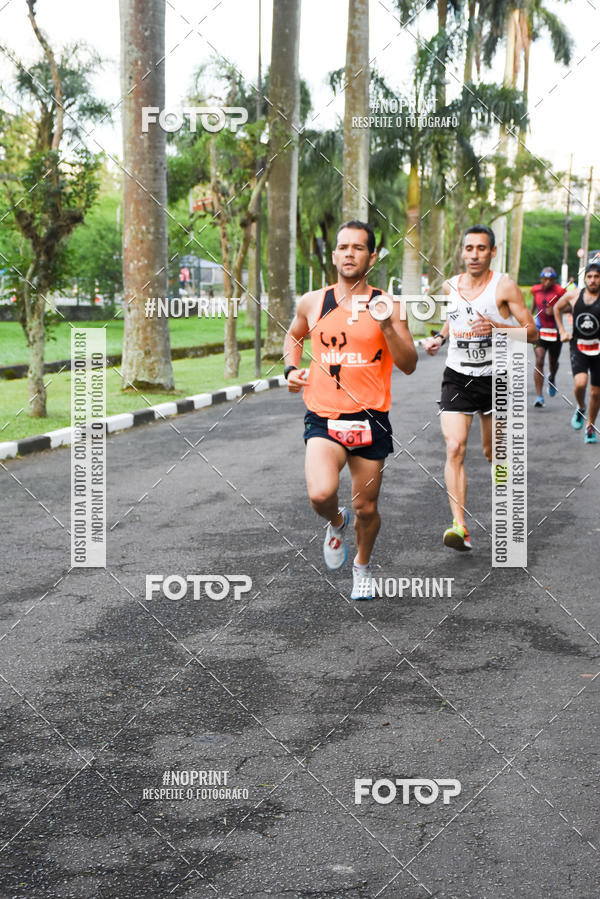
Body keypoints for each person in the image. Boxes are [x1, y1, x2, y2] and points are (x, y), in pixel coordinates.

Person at [283, 220, 417, 599]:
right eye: (343, 247)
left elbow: (409, 364)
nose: (349, 254)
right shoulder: (313, 302)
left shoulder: (391, 306)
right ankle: (335, 520)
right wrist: (291, 369)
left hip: (371, 420)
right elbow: (294, 335)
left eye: (358, 248)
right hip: (323, 417)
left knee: (367, 508)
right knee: (320, 495)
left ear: (371, 257)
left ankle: (362, 566)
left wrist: (386, 327)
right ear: (334, 255)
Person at [423, 225, 538, 551]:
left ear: (492, 252)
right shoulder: (450, 286)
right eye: (469, 248)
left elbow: (532, 333)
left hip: (496, 378)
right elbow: (453, 318)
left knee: (494, 453)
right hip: (458, 376)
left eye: (481, 248)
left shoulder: (504, 287)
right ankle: (459, 526)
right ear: (463, 251)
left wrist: (498, 327)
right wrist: (440, 338)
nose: (474, 254)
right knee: (454, 447)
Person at [554, 262, 600, 444]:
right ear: (585, 278)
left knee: (596, 393)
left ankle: (590, 426)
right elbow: (556, 308)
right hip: (579, 346)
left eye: (597, 276)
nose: (593, 280)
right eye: (590, 276)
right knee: (580, 384)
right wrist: (562, 331)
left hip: (598, 349)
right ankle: (581, 407)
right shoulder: (574, 295)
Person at [530, 267, 566, 407]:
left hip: (555, 331)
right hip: (540, 331)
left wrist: (557, 309)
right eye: (544, 279)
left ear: (554, 280)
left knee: (553, 363)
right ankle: (539, 396)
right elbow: (532, 309)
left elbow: (570, 307)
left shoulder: (560, 291)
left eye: (550, 279)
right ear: (541, 279)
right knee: (539, 360)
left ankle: (552, 377)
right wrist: (528, 321)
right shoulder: (536, 290)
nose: (547, 282)